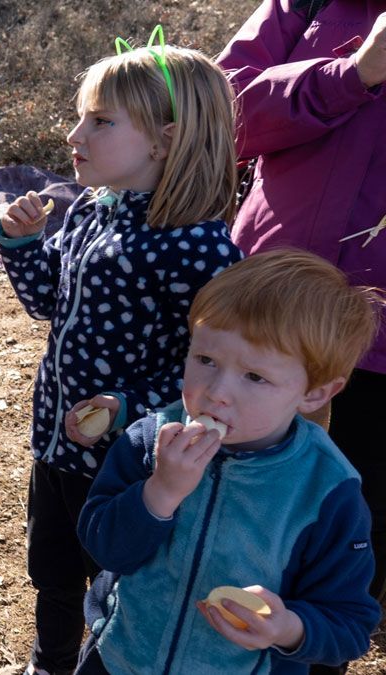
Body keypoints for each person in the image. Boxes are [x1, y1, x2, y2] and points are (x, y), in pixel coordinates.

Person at [0, 35, 245, 675]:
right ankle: (49, 662)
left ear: (163, 139)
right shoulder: (87, 210)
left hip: (129, 459)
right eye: (82, 115)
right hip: (56, 439)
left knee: (116, 581)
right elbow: (48, 300)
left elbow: (214, 364)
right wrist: (22, 245)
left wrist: (133, 405)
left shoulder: (196, 246)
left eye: (101, 120)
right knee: (50, 570)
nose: (76, 132)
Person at [75, 249, 383, 674]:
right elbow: (101, 547)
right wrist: (158, 494)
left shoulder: (327, 490)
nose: (217, 390)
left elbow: (350, 625)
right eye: (205, 360)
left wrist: (289, 628)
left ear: (314, 393)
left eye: (255, 376)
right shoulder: (150, 441)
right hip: (119, 660)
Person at [217, 8, 386, 672]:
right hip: (262, 316)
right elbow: (222, 114)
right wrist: (355, 73)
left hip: (377, 362)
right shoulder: (308, 5)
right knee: (229, 510)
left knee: (348, 540)